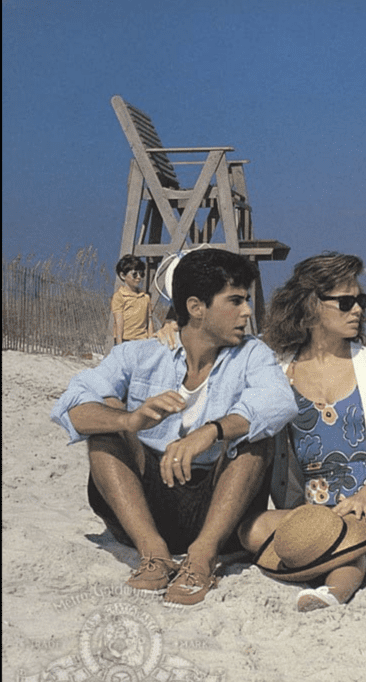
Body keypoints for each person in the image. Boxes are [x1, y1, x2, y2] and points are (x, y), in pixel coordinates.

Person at [52, 249, 297, 606]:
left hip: (220, 507)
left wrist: (211, 430)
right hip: (145, 508)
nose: (247, 311)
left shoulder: (251, 354)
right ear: (196, 308)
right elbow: (71, 407)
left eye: (247, 300)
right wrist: (129, 420)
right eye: (235, 301)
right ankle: (154, 554)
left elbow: (279, 401)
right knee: (104, 426)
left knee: (254, 434)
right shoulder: (140, 356)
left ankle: (201, 558)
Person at [239, 252, 366, 612]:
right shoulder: (278, 369)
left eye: (361, 301)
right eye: (346, 302)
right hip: (308, 512)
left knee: (349, 532)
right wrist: (169, 325)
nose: (358, 311)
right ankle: (332, 559)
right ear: (311, 305)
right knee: (252, 530)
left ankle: (333, 591)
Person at [111, 254, 153, 344]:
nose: (139, 277)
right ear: (123, 275)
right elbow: (119, 323)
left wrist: (151, 341)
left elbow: (149, 321)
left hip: (143, 341)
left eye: (141, 274)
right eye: (134, 274)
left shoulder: (146, 297)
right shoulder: (119, 296)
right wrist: (119, 345)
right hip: (126, 342)